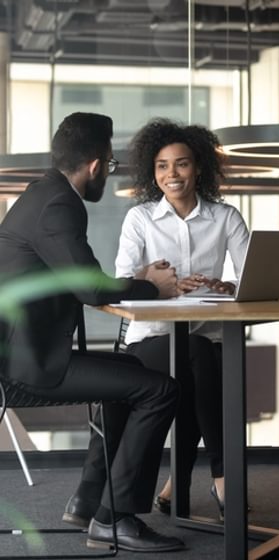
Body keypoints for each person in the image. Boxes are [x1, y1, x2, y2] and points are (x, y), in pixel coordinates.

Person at [0, 112, 185, 553]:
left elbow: (79, 277)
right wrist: (150, 287)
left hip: (25, 352)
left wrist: (136, 279)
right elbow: (87, 288)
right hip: (29, 364)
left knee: (131, 373)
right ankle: (114, 517)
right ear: (98, 164)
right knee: (161, 390)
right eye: (112, 164)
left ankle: (88, 499)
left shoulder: (42, 194)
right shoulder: (59, 204)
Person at [115, 117, 249, 520]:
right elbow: (121, 280)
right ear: (151, 172)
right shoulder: (139, 219)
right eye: (161, 165)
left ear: (199, 168)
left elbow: (251, 278)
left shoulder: (226, 218)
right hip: (150, 340)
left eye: (182, 163)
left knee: (198, 360)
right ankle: (225, 475)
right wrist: (156, 283)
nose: (171, 174)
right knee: (196, 355)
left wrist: (227, 286)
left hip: (210, 336)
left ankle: (177, 485)